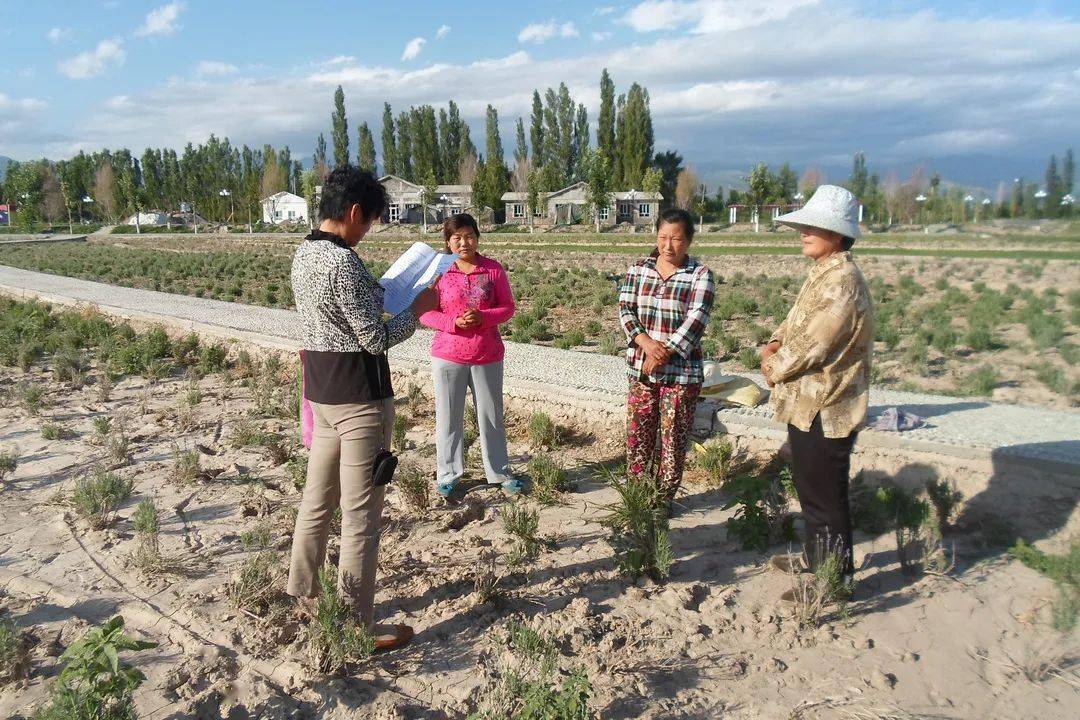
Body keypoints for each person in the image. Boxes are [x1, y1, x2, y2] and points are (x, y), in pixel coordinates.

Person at [288, 165, 439, 650]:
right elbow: (375, 340)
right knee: (360, 517)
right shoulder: (343, 263)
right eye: (370, 220)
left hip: (323, 394)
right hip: (359, 401)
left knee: (317, 502)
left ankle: (304, 597)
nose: (369, 229)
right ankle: (355, 627)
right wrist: (416, 311)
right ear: (354, 213)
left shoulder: (304, 254)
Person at [760, 184, 874, 596]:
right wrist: (774, 340)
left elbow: (817, 343)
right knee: (812, 486)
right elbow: (796, 325)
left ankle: (834, 580)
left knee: (826, 494)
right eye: (804, 224)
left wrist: (774, 365)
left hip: (828, 405)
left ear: (839, 235)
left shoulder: (842, 280)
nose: (804, 231)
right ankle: (815, 557)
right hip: (808, 404)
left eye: (815, 226)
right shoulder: (824, 273)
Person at [619, 208, 715, 511]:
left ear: (688, 241)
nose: (668, 245)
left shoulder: (700, 276)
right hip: (641, 369)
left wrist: (664, 352)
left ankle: (661, 503)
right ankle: (637, 498)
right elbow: (626, 310)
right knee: (638, 437)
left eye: (676, 239)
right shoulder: (638, 269)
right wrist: (646, 344)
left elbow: (697, 318)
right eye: (663, 237)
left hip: (681, 375)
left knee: (672, 441)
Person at [419, 213, 519, 498]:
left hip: (487, 354)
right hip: (447, 355)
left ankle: (499, 472)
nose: (464, 243)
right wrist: (453, 323)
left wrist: (484, 317)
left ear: (477, 237)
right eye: (457, 238)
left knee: (491, 417)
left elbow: (508, 307)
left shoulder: (492, 270)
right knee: (448, 418)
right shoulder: (438, 272)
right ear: (448, 242)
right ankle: (448, 474)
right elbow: (424, 312)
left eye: (469, 236)